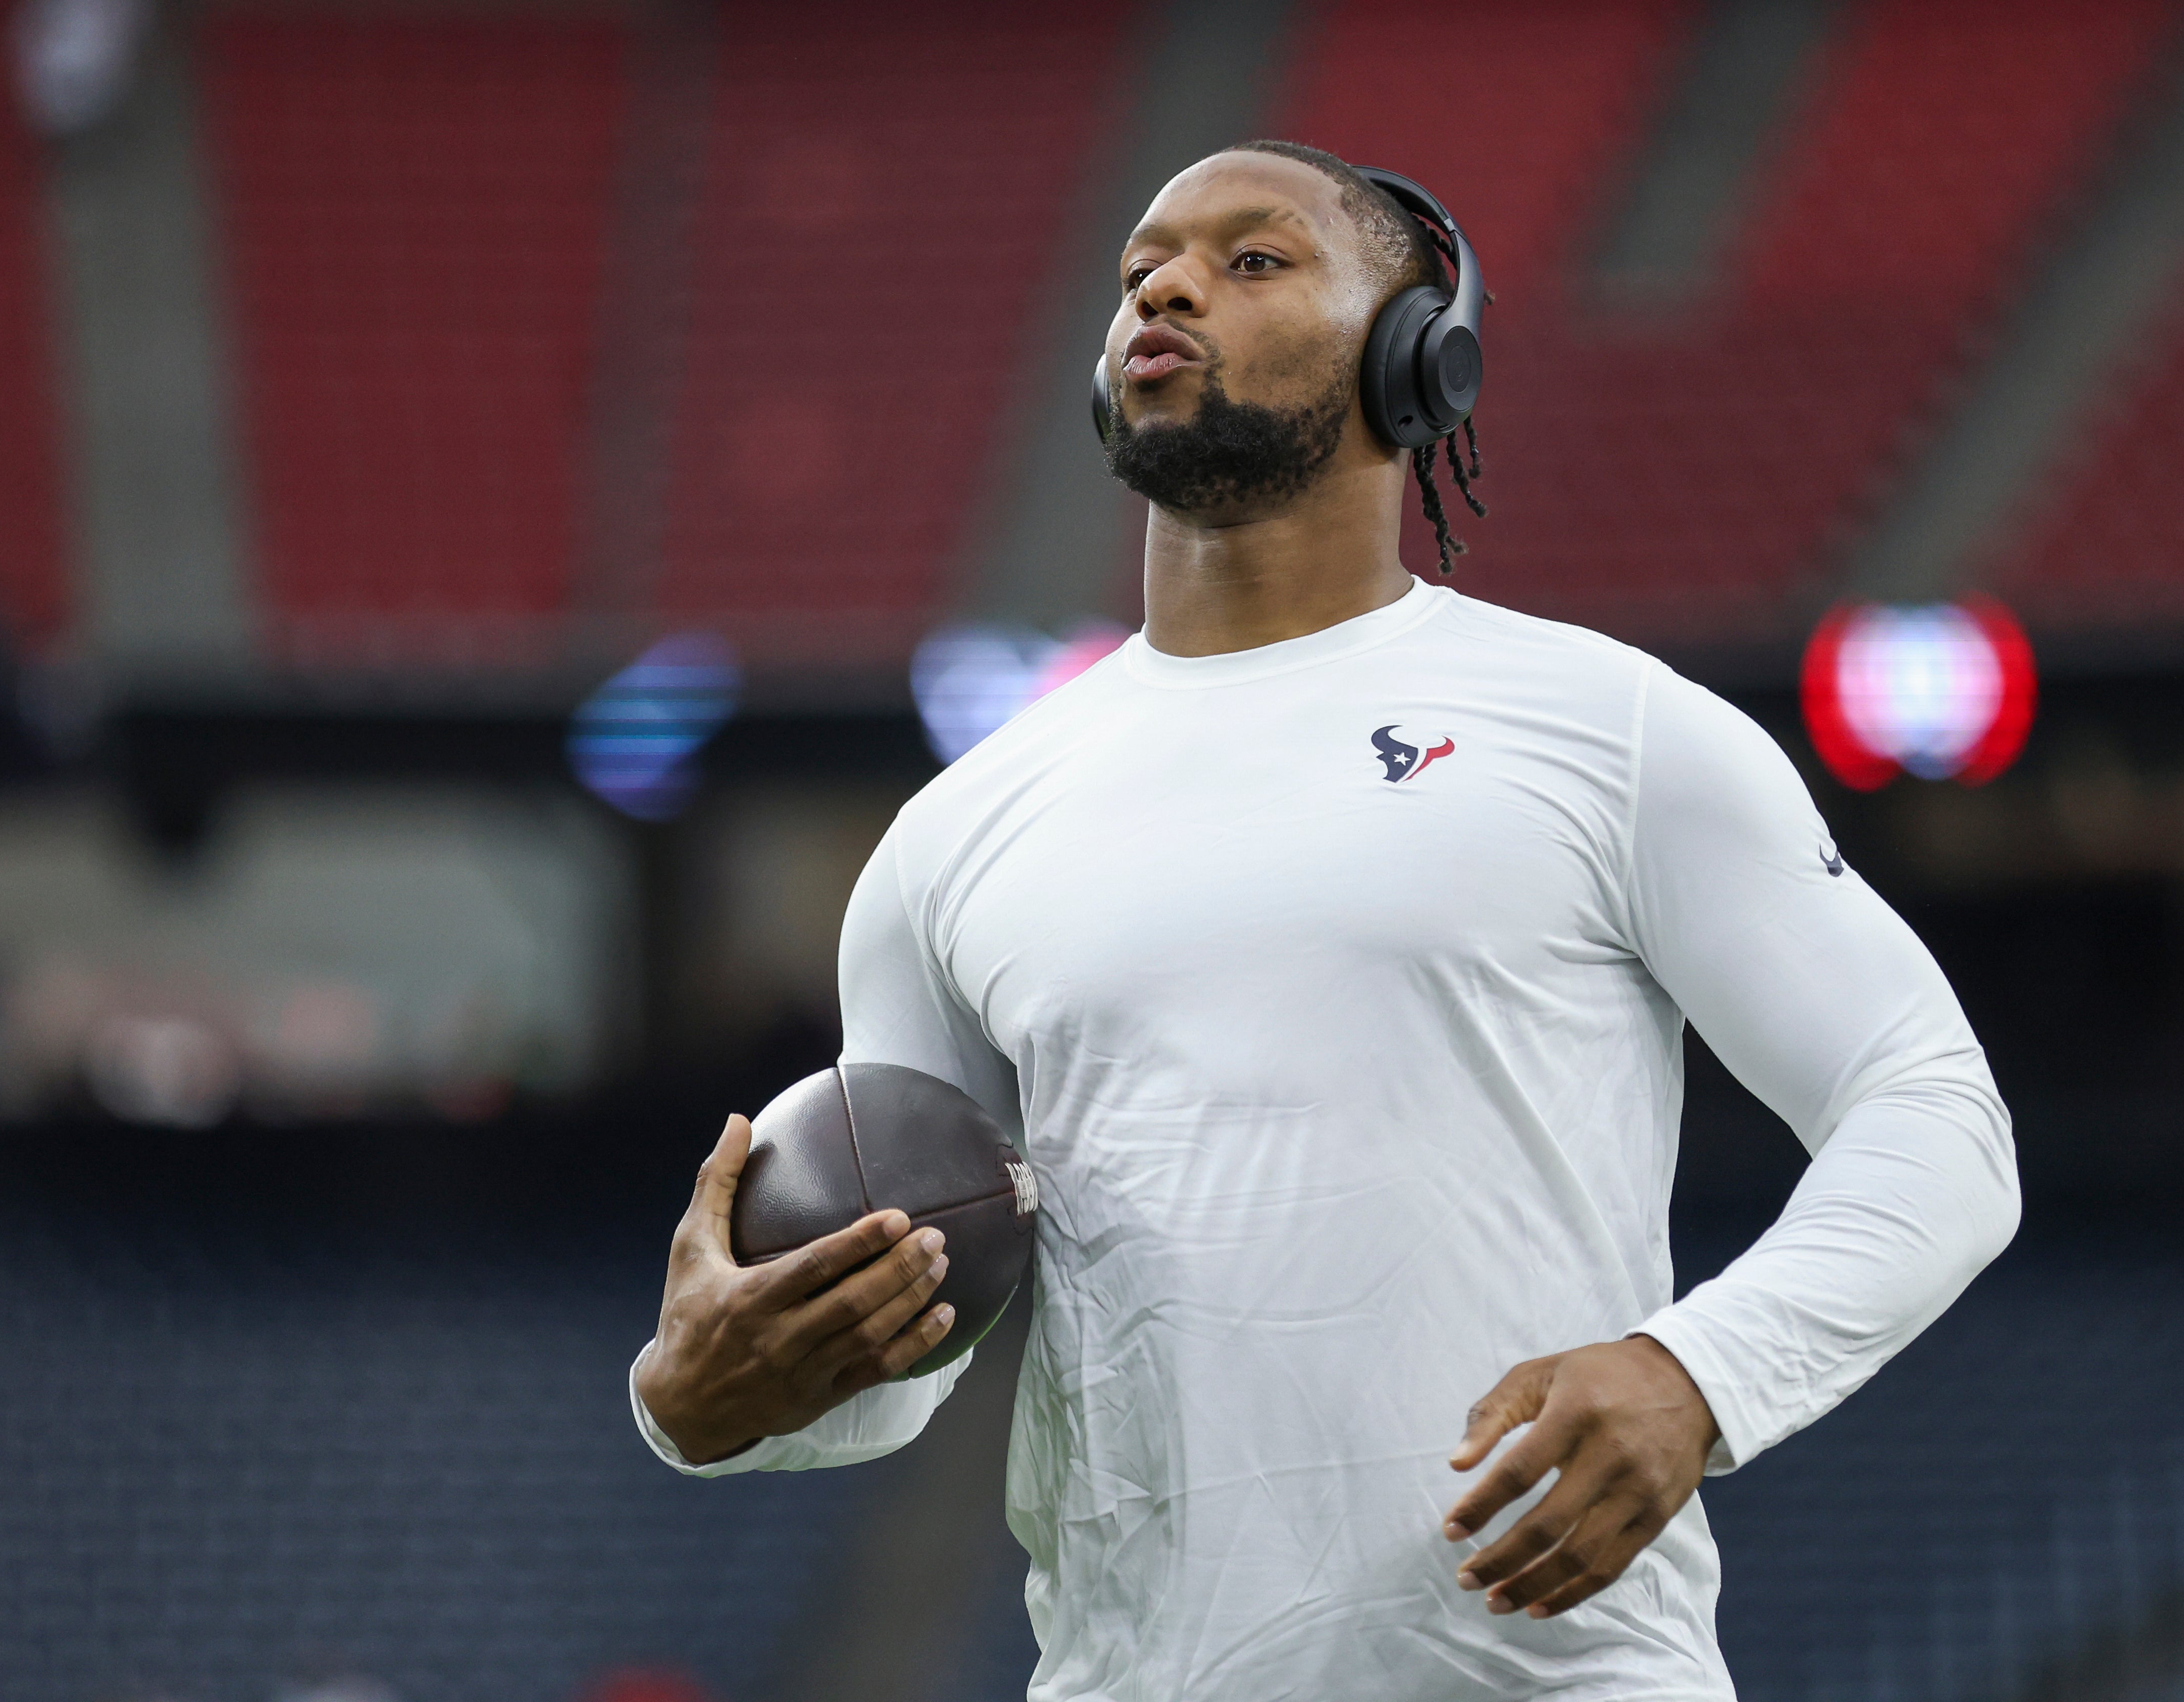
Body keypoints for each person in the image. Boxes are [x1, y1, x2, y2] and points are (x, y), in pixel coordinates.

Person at [630, 140, 2018, 1700]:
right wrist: (717, 1393)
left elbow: (1933, 1118)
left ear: (1416, 347)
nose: (1164, 286)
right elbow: (908, 1339)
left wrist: (1697, 1375)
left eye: (1254, 259)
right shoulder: (954, 836)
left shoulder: (1614, 731)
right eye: (1142, 266)